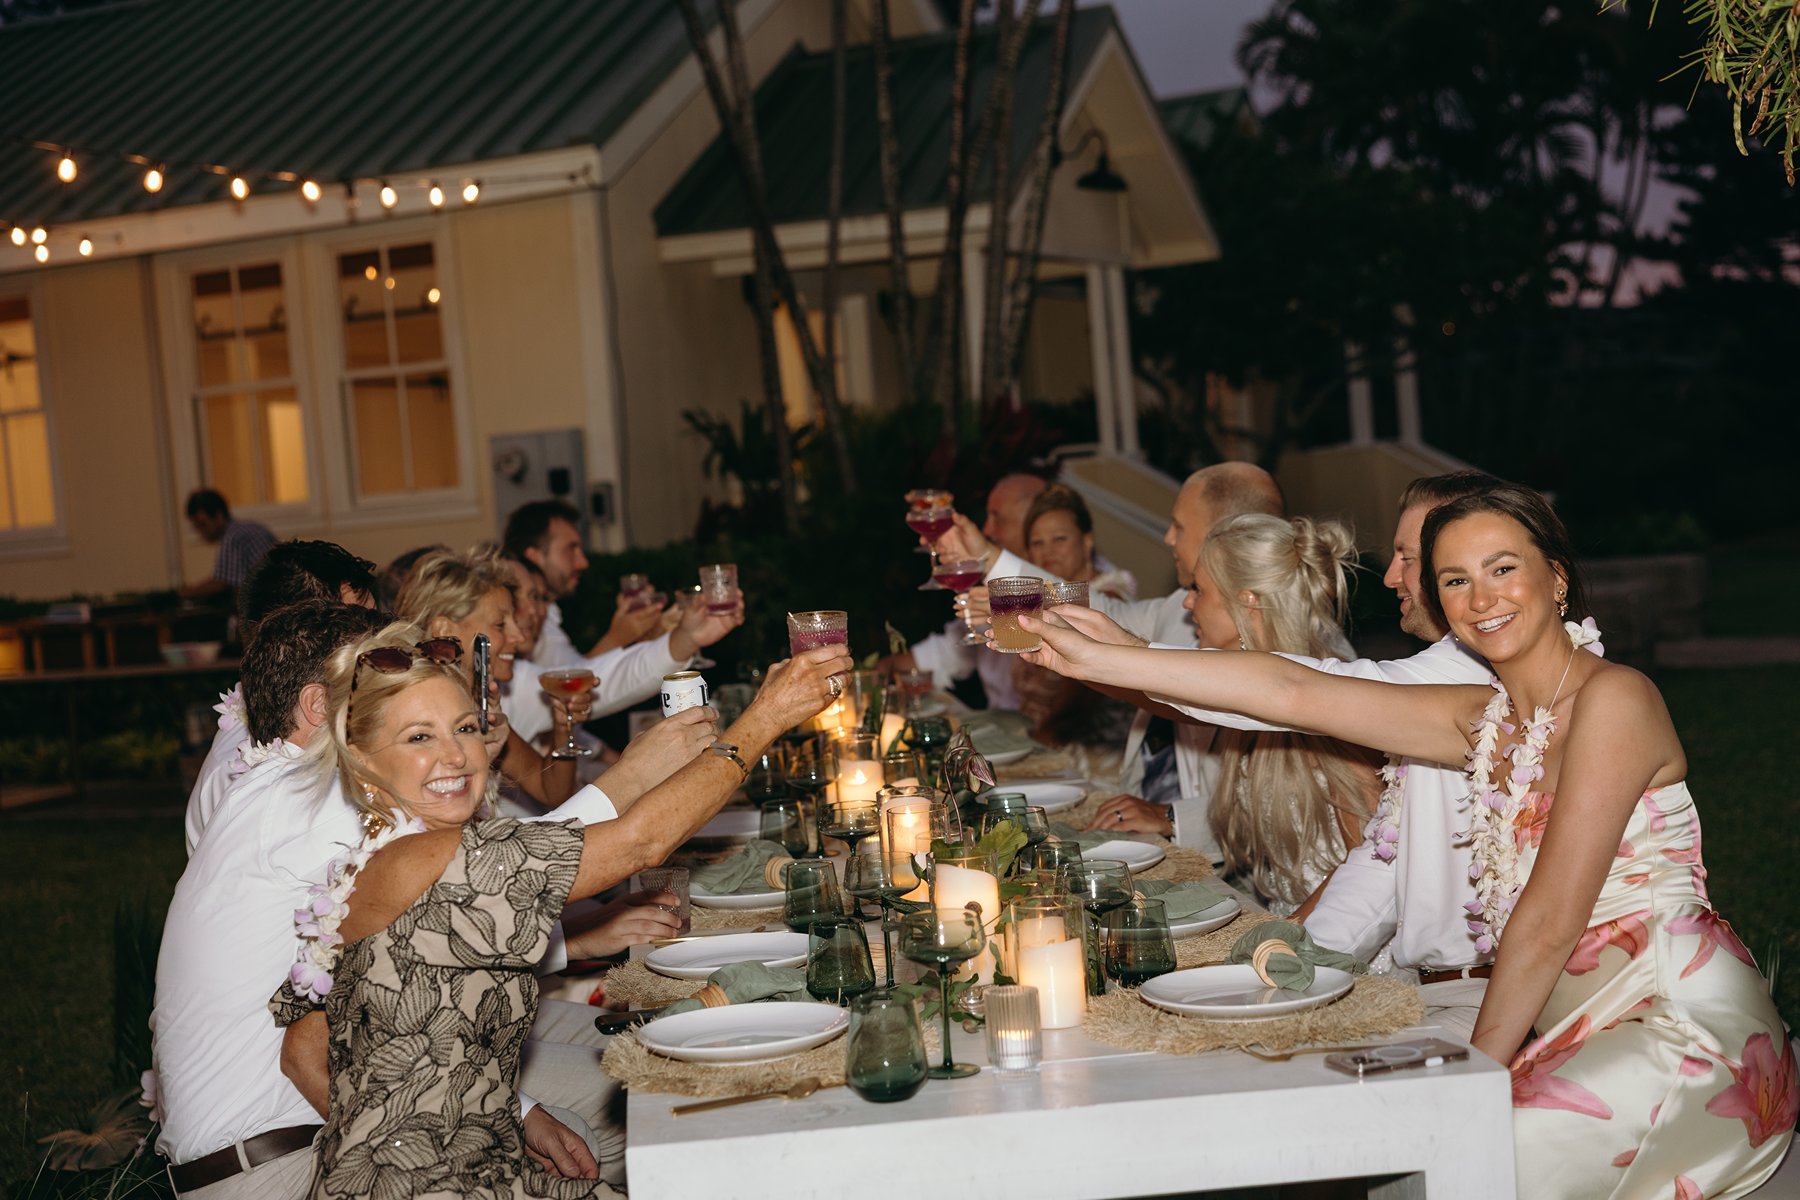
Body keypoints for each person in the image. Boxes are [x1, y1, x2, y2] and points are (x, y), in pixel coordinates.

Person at [1018, 484, 1796, 1198]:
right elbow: (1297, 692)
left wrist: (1472, 1078)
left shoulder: (1616, 700)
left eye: (1502, 569)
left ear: (1557, 578)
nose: (1480, 598)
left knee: (1482, 1156)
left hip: (1684, 1030)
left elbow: (1550, 919)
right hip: (1576, 1030)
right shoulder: (1483, 721)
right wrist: (1112, 656)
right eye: (1455, 579)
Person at [268, 627, 849, 1198]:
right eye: (419, 737)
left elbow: (302, 1050)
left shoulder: (362, 868)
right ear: (363, 764)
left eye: (466, 728)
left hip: (454, 1168)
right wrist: (768, 715)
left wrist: (503, 1121)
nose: (454, 754)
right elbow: (638, 844)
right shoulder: (426, 859)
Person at [1092, 470, 1506, 1030]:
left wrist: (1291, 956)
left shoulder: (1371, 695)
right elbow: (1381, 857)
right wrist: (1285, 948)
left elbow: (1290, 692)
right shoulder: (1431, 681)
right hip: (1333, 947)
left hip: (1401, 981)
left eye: (1410, 558)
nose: (1390, 577)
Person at [187, 543, 382, 855]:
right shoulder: (247, 767)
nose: (382, 637)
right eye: (363, 624)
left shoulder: (316, 718)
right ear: (302, 635)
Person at [501, 500, 739, 716]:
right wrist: (623, 637)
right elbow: (573, 682)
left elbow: (580, 678)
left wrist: (664, 638)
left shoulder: (547, 614)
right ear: (534, 556)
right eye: (570, 549)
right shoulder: (517, 660)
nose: (583, 562)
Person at [394, 550, 589, 811]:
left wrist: (562, 729)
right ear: (444, 631)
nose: (519, 637)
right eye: (500, 624)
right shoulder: (405, 708)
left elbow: (551, 790)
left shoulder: (477, 701)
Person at [882, 472, 1047, 709]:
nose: (987, 529)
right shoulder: (990, 590)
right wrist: (873, 671)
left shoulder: (1085, 585)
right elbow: (944, 653)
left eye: (997, 518)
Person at [1011, 484, 1138, 746]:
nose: (1048, 551)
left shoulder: (1107, 601)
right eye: (1037, 543)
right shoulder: (1038, 601)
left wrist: (1034, 746)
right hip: (1043, 741)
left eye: (1060, 539)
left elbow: (1077, 704)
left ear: (1087, 541)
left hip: (1094, 753)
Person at [181, 488, 277, 602]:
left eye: (203, 524)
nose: (200, 531)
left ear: (219, 516)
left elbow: (223, 583)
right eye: (196, 526)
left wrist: (185, 594)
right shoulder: (255, 528)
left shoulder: (233, 537)